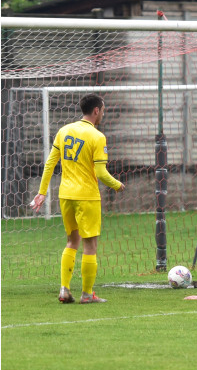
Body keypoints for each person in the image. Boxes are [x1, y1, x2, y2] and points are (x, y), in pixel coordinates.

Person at [29, 93, 125, 304]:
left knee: (72, 241)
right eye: (103, 110)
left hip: (66, 195)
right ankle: (87, 294)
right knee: (90, 245)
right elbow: (101, 173)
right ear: (97, 110)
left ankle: (64, 290)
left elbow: (50, 163)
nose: (103, 114)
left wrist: (42, 192)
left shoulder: (64, 131)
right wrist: (117, 185)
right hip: (87, 197)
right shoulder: (97, 137)